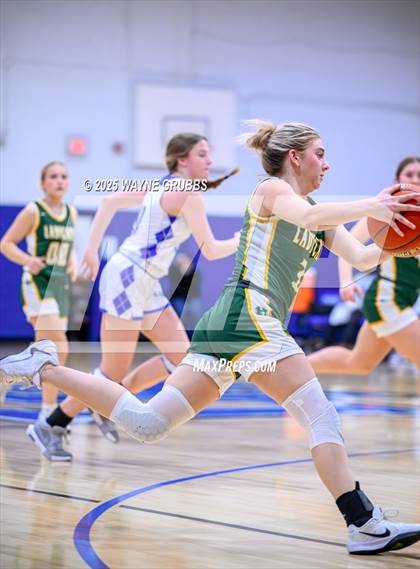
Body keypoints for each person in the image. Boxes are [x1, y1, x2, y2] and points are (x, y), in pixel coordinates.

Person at [1, 121, 419, 555]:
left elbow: (362, 256)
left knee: (148, 424)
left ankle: (42, 367)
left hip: (229, 324)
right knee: (321, 416)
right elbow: (309, 216)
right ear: (295, 157)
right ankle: (364, 523)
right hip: (250, 315)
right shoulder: (271, 190)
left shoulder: (319, 215)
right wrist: (373, 204)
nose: (327, 164)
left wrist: (404, 243)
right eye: (320, 154)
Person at [26, 133, 239, 460]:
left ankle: (107, 403)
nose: (210, 160)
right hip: (129, 277)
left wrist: (92, 249)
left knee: (182, 358)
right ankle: (51, 424)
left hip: (146, 281)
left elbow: (108, 202)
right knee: (111, 371)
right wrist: (242, 239)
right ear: (182, 159)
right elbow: (210, 250)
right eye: (202, 154)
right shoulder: (187, 193)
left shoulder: (161, 185)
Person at [308, 156, 420, 375]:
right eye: (409, 174)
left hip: (404, 299)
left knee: (358, 363)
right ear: (398, 179)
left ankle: (291, 368)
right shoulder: (385, 209)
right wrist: (346, 282)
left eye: (419, 175)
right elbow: (349, 245)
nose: (415, 179)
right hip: (388, 300)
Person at [0, 161, 77, 418]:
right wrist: (28, 260)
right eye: (53, 176)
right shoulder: (33, 211)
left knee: (46, 352)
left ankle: (8, 376)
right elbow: (6, 243)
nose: (59, 181)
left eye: (64, 176)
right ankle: (48, 411)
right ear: (42, 183)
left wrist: (73, 261)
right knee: (59, 346)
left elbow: (69, 246)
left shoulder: (71, 212)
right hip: (37, 282)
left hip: (61, 284)